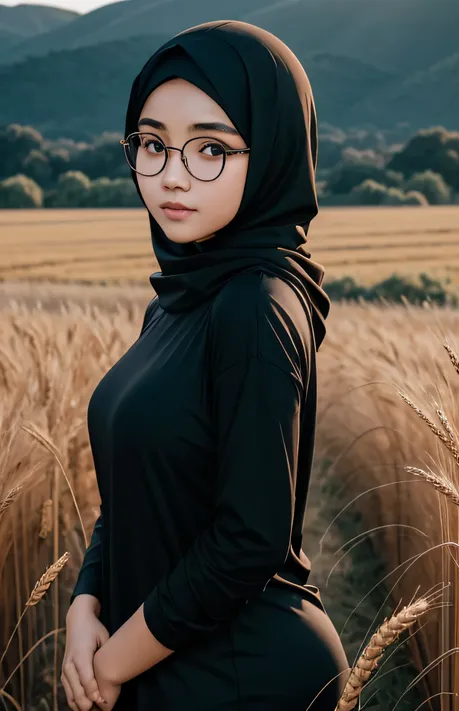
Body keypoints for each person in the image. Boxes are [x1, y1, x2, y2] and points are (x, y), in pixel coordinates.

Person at [62, 20, 354, 711]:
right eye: (153, 144)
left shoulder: (256, 302)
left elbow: (249, 538)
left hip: (238, 672)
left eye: (211, 149)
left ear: (273, 152)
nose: (171, 176)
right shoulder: (178, 302)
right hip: (154, 653)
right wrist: (83, 604)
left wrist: (112, 661)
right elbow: (132, 488)